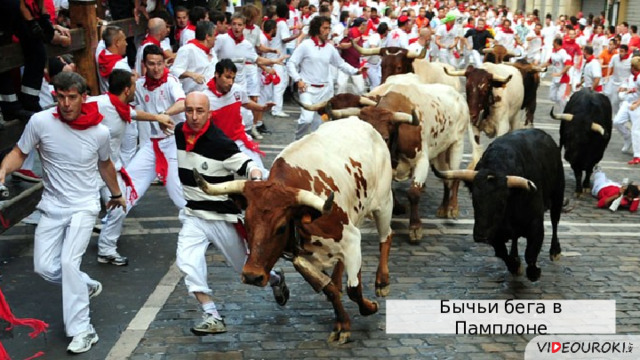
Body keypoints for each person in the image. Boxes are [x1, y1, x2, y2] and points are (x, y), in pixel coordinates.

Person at [0, 72, 126, 354]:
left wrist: (116, 194)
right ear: (55, 95)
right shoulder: (40, 122)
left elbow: (105, 165)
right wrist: (2, 171)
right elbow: (19, 153)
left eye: (72, 97)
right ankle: (85, 284)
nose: (66, 103)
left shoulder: (100, 132)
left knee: (69, 263)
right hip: (53, 205)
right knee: (43, 266)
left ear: (83, 97)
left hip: (84, 205)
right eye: (61, 97)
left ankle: (83, 330)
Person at [175, 91, 289, 336]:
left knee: (245, 269)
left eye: (200, 111)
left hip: (221, 218)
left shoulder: (219, 142)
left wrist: (257, 179)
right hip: (194, 215)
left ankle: (277, 279)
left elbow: (247, 165)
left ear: (209, 113)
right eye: (189, 110)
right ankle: (211, 315)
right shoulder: (179, 133)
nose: (193, 117)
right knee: (187, 262)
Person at [98, 45, 185, 266]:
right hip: (149, 148)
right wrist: (155, 118)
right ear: (144, 65)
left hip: (173, 146)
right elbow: (127, 108)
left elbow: (182, 102)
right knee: (123, 193)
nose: (156, 68)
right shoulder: (138, 86)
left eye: (160, 63)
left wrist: (164, 114)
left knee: (179, 197)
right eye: (151, 64)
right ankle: (106, 247)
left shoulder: (171, 81)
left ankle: (202, 234)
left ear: (165, 63)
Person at [287, 15, 360, 140]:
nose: (328, 32)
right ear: (316, 29)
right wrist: (298, 80)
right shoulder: (305, 45)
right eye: (325, 28)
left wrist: (356, 71)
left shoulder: (330, 48)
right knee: (306, 119)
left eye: (329, 28)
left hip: (325, 91)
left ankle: (315, 147)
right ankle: (297, 141)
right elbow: (291, 63)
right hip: (307, 89)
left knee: (319, 124)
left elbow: (340, 64)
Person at [204, 59, 272, 172]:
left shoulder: (237, 90)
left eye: (233, 78)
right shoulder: (205, 97)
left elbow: (246, 103)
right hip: (216, 145)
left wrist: (262, 108)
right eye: (227, 77)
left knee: (259, 173)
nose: (231, 82)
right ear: (217, 74)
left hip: (239, 140)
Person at [171, 21, 218, 94]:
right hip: (192, 97)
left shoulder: (212, 51)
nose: (216, 38)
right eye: (214, 35)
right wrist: (192, 75)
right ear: (208, 37)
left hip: (211, 95)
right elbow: (174, 71)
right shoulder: (187, 49)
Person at [613, 57, 640, 163]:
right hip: (627, 102)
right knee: (617, 122)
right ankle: (627, 137)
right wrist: (625, 89)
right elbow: (636, 89)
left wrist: (637, 104)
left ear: (633, 67)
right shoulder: (632, 76)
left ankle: (637, 155)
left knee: (636, 130)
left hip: (636, 105)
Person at [547, 37, 572, 111]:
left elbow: (568, 65)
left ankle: (564, 111)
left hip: (563, 79)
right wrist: (539, 67)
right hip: (555, 79)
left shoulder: (563, 53)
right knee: (552, 96)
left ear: (557, 43)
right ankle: (565, 104)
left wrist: (560, 73)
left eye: (553, 43)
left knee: (560, 97)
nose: (552, 44)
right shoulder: (554, 53)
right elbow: (549, 62)